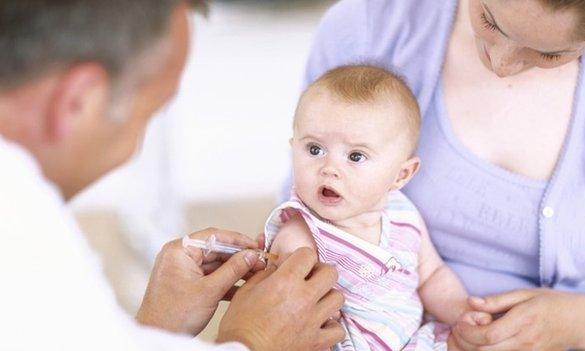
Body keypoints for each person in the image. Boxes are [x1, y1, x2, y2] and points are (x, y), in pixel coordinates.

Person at [0, 1, 344, 350]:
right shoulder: (20, 235)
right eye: (149, 112)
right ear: (79, 100)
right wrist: (254, 342)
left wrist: (155, 327)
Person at [285, 0, 585, 349]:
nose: (501, 64)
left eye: (550, 54)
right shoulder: (370, 26)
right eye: (489, 22)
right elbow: (304, 214)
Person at [266, 64, 490, 351]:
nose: (330, 168)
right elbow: (286, 315)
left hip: (415, 338)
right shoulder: (301, 233)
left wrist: (461, 311)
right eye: (314, 149)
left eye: (356, 156)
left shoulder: (402, 215)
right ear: (292, 147)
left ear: (401, 175)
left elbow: (432, 275)